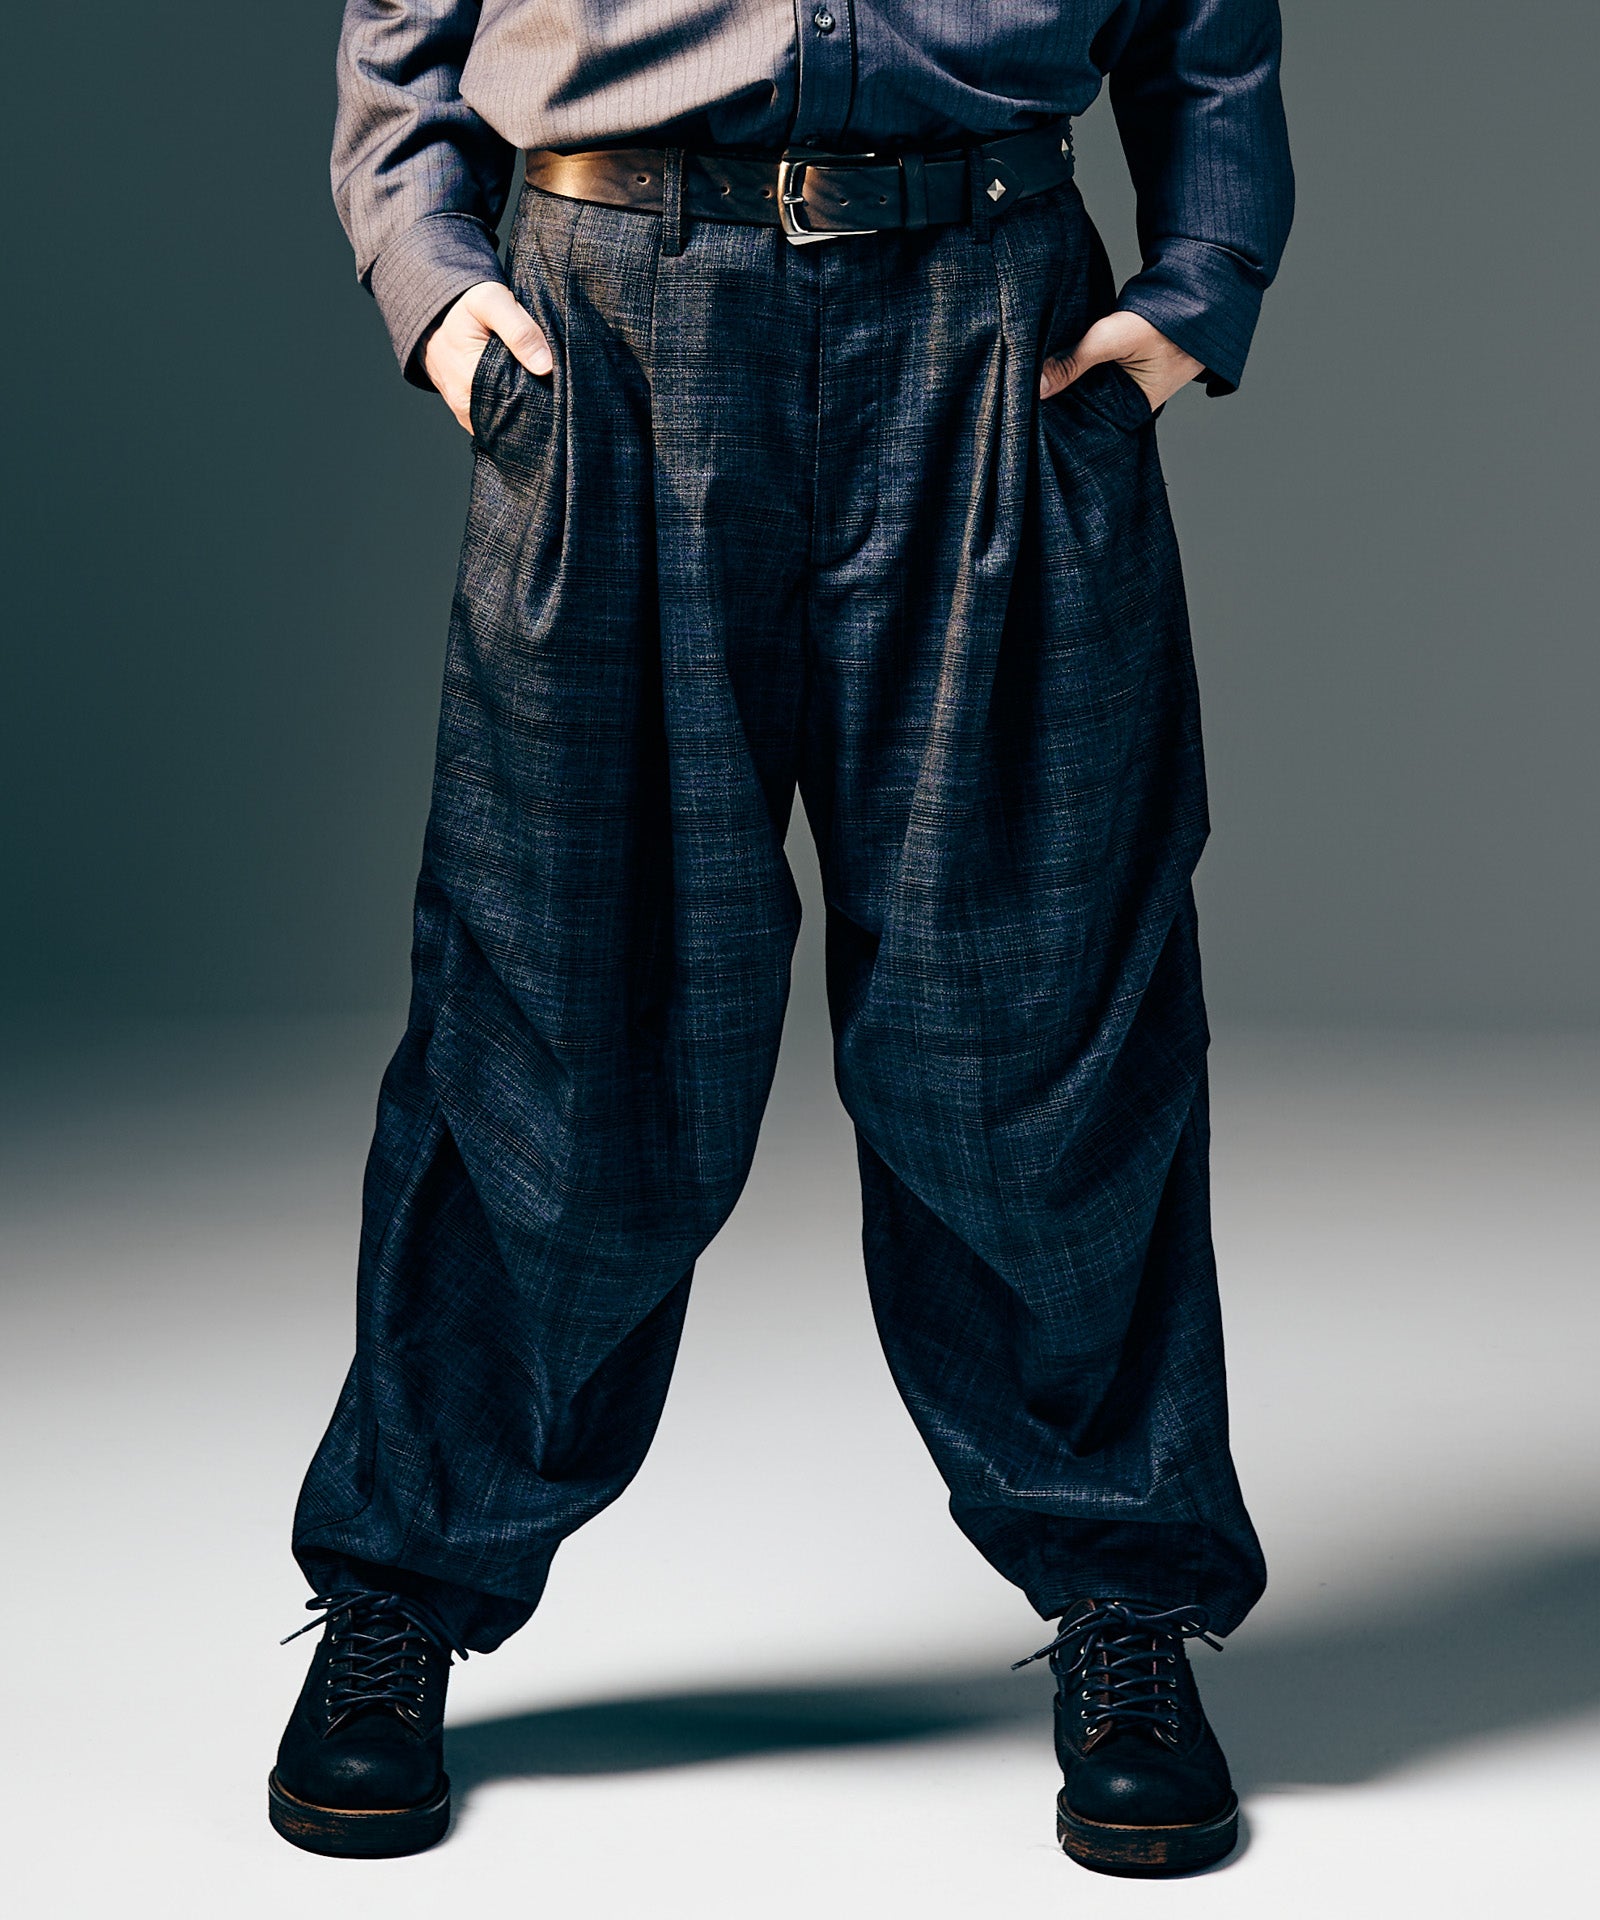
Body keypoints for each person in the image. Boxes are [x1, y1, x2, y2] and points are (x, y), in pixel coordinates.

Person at [268, 0, 1293, 1876]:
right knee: (550, 992)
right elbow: (401, 39)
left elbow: (1207, 25)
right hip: (610, 324)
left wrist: (1200, 280)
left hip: (992, 326)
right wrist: (435, 284)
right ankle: (402, 1587)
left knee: (1042, 1004)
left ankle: (1125, 1599)